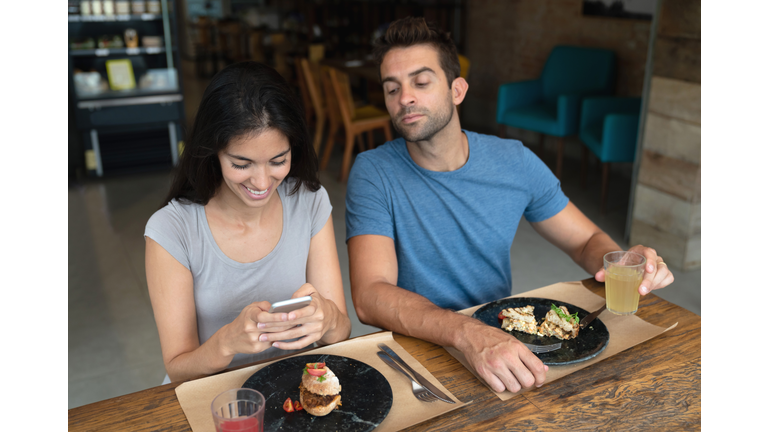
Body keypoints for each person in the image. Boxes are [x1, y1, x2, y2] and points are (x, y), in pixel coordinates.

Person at [345, 17, 674, 394]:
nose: (405, 98)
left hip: (503, 342)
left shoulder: (513, 161)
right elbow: (371, 295)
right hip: (418, 349)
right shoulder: (373, 171)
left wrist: (624, 264)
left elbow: (585, 242)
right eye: (392, 89)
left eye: (421, 82)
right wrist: (466, 332)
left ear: (457, 90)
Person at [145, 62, 351, 383]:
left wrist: (328, 320)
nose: (262, 181)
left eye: (278, 161)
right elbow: (177, 367)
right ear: (213, 151)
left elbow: (340, 332)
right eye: (242, 164)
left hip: (293, 388)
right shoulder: (172, 230)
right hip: (216, 397)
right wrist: (226, 342)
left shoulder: (309, 201)